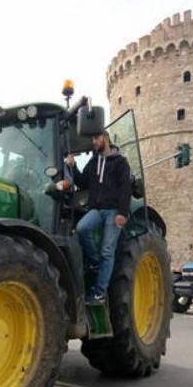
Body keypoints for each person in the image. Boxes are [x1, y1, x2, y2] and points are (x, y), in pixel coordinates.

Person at [62, 130, 132, 303]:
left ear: (106, 139)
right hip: (97, 210)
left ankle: (100, 293)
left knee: (108, 250)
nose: (94, 141)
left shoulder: (120, 162)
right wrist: (73, 166)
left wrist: (122, 213)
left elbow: (125, 188)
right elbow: (82, 181)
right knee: (81, 228)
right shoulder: (94, 162)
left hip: (114, 211)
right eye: (92, 138)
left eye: (96, 138)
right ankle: (94, 262)